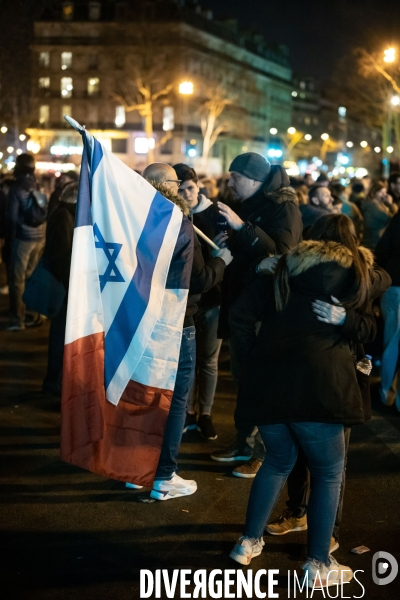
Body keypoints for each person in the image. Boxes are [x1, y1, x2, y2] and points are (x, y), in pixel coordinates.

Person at [228, 214, 373, 588]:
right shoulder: (353, 272)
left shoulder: (280, 269)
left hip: (270, 380)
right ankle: (318, 564)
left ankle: (247, 542)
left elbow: (240, 315)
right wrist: (347, 321)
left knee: (276, 461)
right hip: (321, 385)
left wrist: (248, 362)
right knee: (327, 472)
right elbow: (374, 324)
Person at [139, 162, 232, 500]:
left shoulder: (138, 216)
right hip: (178, 323)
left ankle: (139, 469)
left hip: (145, 319)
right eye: (177, 183)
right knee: (176, 400)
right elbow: (198, 279)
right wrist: (222, 261)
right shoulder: (178, 223)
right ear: (167, 185)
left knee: (148, 395)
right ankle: (164, 474)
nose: (181, 188)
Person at [210, 152, 302, 478]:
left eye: (234, 176)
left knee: (263, 384)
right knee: (245, 382)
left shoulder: (283, 208)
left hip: (266, 312)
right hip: (242, 310)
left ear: (253, 178)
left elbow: (282, 255)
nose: (229, 182)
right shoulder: (248, 204)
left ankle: (263, 454)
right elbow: (252, 251)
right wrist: (230, 239)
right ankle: (243, 444)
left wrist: (241, 227)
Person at [174, 163, 222, 440]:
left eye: (190, 188)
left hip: (212, 298)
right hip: (187, 301)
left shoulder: (215, 213)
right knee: (187, 361)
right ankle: (187, 412)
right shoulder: (175, 215)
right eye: (180, 189)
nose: (186, 194)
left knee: (208, 360)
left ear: (198, 186)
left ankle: (205, 413)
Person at [42, 182, 78, 396]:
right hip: (64, 287)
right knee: (59, 335)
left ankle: (55, 380)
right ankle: (52, 382)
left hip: (66, 285)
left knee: (62, 334)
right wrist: (71, 281)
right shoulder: (64, 217)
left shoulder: (66, 214)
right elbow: (60, 255)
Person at [6, 155, 47, 331]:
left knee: (17, 280)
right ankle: (36, 314)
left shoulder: (16, 189)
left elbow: (12, 217)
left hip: (23, 239)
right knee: (32, 277)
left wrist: (10, 238)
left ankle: (18, 319)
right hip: (40, 237)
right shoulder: (37, 185)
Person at [375, 210, 400, 409]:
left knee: (392, 343)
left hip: (394, 286)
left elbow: (382, 251)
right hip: (396, 287)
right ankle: (390, 396)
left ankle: (387, 394)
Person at [361, 182, 397, 251]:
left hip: (375, 241)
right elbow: (391, 219)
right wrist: (391, 204)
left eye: (385, 192)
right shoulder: (373, 205)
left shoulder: (380, 204)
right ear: (374, 192)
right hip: (373, 243)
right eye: (381, 192)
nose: (384, 195)